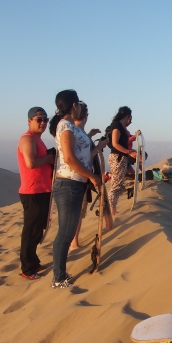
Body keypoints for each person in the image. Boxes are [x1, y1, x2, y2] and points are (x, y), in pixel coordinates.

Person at [48, 90, 101, 289]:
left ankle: (60, 274)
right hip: (69, 184)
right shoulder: (65, 126)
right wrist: (92, 176)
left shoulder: (69, 126)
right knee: (65, 233)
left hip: (75, 184)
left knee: (67, 231)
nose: (79, 106)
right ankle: (58, 277)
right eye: (78, 103)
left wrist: (97, 148)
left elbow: (82, 155)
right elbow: (69, 158)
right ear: (73, 106)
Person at [17, 107, 56, 280]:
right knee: (31, 231)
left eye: (45, 120)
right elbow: (31, 163)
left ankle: (33, 261)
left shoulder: (38, 140)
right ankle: (27, 268)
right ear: (29, 121)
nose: (43, 123)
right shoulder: (27, 138)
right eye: (38, 119)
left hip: (43, 190)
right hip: (33, 191)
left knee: (38, 230)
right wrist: (48, 159)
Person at [69, 102, 110, 250]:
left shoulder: (74, 130)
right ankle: (74, 242)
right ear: (85, 115)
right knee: (78, 210)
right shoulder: (75, 130)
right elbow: (85, 157)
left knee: (77, 210)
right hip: (82, 176)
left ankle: (74, 241)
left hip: (80, 176)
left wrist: (90, 135)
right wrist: (99, 148)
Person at [106, 106, 138, 215]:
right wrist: (129, 152)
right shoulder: (117, 126)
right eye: (130, 118)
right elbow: (115, 143)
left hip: (121, 158)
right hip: (118, 158)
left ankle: (112, 209)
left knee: (118, 184)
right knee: (115, 185)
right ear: (128, 116)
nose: (130, 121)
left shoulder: (120, 126)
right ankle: (111, 210)